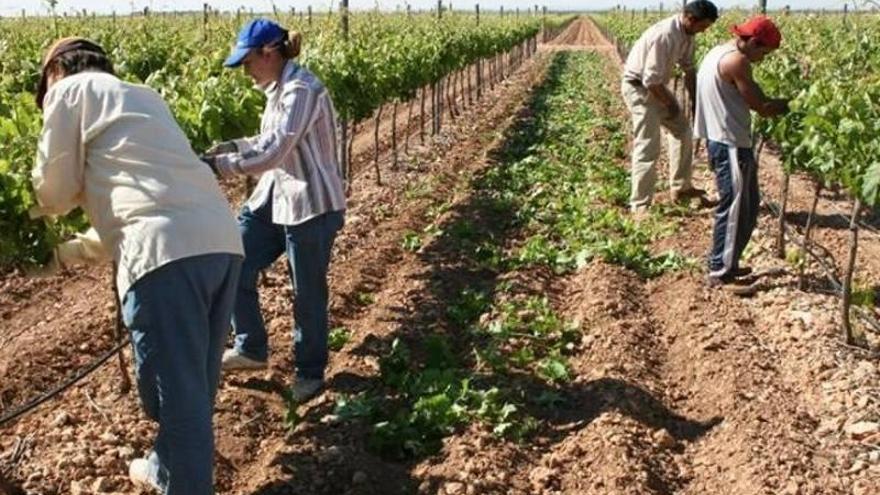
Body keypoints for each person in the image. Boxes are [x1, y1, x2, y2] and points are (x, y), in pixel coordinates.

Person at [31, 38, 244, 493]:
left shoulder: (68, 93)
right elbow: (140, 205)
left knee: (178, 401)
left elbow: (52, 193)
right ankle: (166, 471)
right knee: (191, 392)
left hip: (165, 259)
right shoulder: (143, 97)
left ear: (54, 73)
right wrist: (65, 254)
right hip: (220, 244)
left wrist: (26, 225)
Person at [203, 19, 346, 403]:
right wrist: (227, 147)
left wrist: (219, 168)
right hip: (274, 197)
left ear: (269, 53)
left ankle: (310, 373)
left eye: (248, 62)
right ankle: (251, 347)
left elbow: (273, 152)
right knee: (233, 261)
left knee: (306, 293)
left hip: (310, 203)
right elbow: (264, 140)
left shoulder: (301, 89)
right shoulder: (277, 89)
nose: (245, 71)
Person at [693, 16, 790, 291]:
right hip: (730, 144)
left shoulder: (717, 52)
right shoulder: (737, 61)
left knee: (748, 205)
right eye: (764, 51)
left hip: (725, 141)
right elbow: (762, 105)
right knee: (734, 207)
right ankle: (720, 271)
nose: (763, 58)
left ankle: (730, 262)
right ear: (754, 42)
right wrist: (798, 105)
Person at [621, 0, 718, 214]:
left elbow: (689, 69)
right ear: (690, 19)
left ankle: (681, 188)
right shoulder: (664, 35)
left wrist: (695, 102)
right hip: (639, 89)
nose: (703, 32)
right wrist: (670, 103)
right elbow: (651, 81)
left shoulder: (688, 34)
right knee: (648, 146)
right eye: (703, 27)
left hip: (657, 88)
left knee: (683, 131)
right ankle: (640, 205)